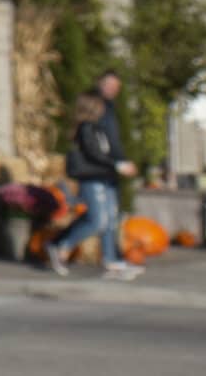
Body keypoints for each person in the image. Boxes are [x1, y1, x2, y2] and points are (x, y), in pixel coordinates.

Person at [50, 79, 141, 282]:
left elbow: (105, 152)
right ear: (92, 107)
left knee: (109, 220)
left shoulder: (98, 129)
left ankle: (111, 261)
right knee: (97, 220)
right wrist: (118, 165)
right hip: (92, 179)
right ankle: (60, 245)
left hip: (105, 178)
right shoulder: (86, 128)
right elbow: (94, 154)